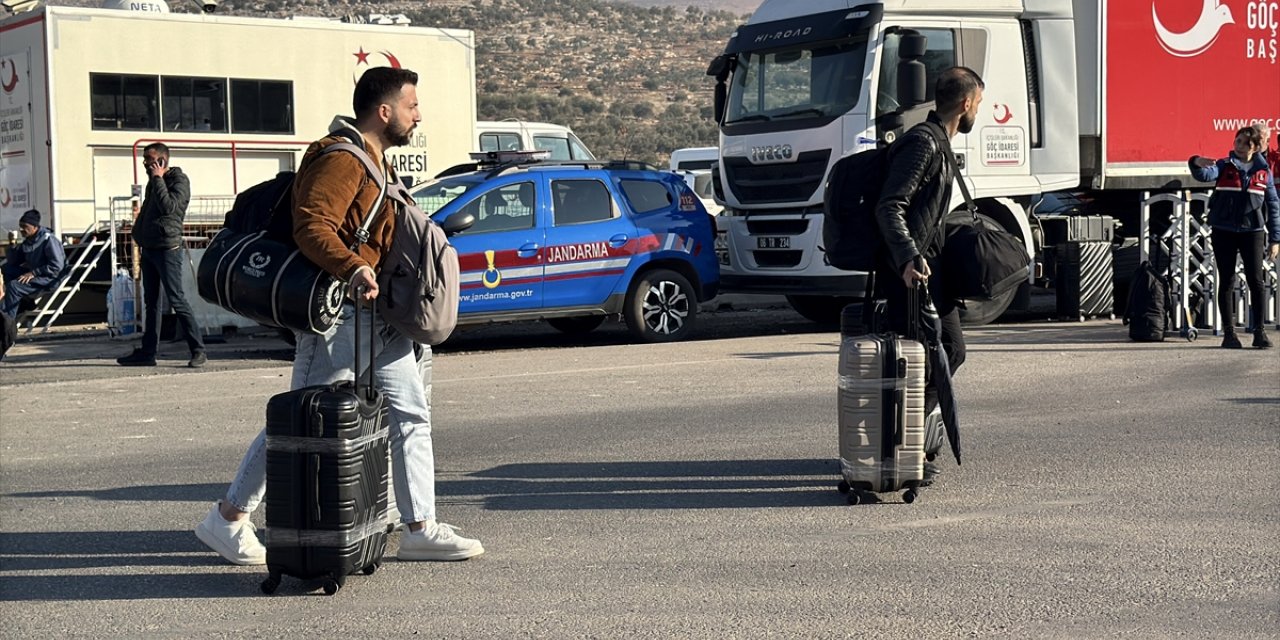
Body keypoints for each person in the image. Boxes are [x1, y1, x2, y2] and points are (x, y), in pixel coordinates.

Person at [194, 67, 484, 565]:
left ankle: (419, 528)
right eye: (412, 106)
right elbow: (311, 225)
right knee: (297, 424)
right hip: (340, 317)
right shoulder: (341, 158)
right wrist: (353, 269)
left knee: (411, 415)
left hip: (374, 317)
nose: (419, 115)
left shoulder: (373, 161)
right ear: (385, 111)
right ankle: (227, 519)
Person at [872, 66, 985, 477]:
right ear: (967, 102)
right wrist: (905, 258)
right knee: (931, 356)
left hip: (928, 271)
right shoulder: (923, 143)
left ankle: (911, 436)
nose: (979, 112)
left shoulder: (938, 141)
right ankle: (906, 445)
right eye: (979, 104)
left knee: (946, 352)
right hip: (911, 275)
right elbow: (890, 205)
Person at [116, 143, 207, 368]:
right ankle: (148, 353)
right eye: (145, 159)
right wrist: (138, 233)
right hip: (150, 248)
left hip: (168, 249)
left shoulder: (179, 181)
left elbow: (169, 208)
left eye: (150, 159)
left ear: (163, 161)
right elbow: (150, 208)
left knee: (177, 299)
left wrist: (157, 179)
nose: (146, 164)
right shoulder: (153, 182)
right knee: (151, 303)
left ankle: (198, 350)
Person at [1190, 127, 1280, 348]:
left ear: (1255, 148)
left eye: (1245, 143)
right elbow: (1204, 175)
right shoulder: (1224, 165)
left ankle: (1259, 333)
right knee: (1227, 279)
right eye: (1237, 141)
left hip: (1253, 231)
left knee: (1256, 282)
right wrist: (1196, 162)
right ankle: (1229, 334)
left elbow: (1273, 205)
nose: (1239, 146)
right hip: (1224, 230)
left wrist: (1275, 240)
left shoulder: (1263, 172)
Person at [2, 209, 66, 319]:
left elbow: (57, 266)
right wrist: (12, 245)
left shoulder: (48, 239)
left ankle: (8, 323)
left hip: (49, 278)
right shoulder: (28, 240)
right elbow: (14, 262)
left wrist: (34, 272)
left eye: (24, 226)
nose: (21, 229)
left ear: (35, 227)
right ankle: (25, 302)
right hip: (35, 274)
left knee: (14, 286)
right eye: (20, 226)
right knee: (6, 269)